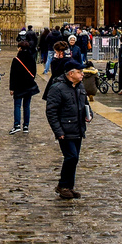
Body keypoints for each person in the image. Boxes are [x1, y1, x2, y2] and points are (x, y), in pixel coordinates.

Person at [45, 64, 88, 200]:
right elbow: (51, 112)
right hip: (65, 129)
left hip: (78, 128)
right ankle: (63, 185)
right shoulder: (57, 88)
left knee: (74, 159)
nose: (82, 75)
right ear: (71, 74)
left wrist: (88, 114)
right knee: (71, 157)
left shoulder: (80, 86)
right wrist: (58, 131)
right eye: (79, 72)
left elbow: (85, 103)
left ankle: (69, 186)